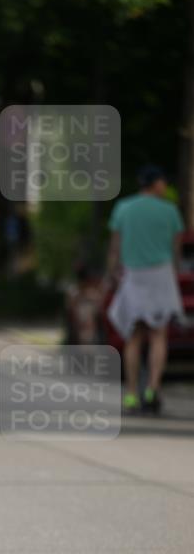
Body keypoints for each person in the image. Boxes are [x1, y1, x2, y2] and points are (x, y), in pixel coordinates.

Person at [106, 165, 185, 414]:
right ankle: (152, 387)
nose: (166, 186)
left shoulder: (123, 208)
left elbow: (115, 248)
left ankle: (130, 394)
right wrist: (174, 274)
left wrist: (111, 276)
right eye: (163, 181)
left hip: (133, 276)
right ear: (155, 183)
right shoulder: (170, 211)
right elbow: (176, 250)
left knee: (134, 337)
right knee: (159, 335)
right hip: (160, 276)